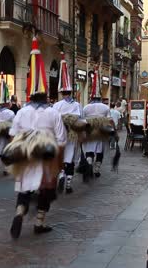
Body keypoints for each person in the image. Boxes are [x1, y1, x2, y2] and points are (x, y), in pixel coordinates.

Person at [6, 36, 66, 239]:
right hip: (47, 158)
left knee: (24, 189)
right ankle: (40, 222)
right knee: (46, 191)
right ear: (46, 93)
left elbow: (12, 136)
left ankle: (20, 211)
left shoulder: (21, 112)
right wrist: (60, 164)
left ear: (30, 94)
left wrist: (15, 155)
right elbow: (61, 141)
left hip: (26, 156)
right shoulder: (53, 113)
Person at [52, 55, 82, 194]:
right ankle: (69, 184)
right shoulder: (77, 105)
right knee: (70, 157)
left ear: (61, 92)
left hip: (59, 135)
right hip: (72, 135)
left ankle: (61, 173)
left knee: (60, 157)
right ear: (70, 91)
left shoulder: (56, 105)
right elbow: (81, 121)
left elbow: (52, 120)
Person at [82, 94, 112, 178]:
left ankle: (89, 163)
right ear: (100, 98)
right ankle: (97, 169)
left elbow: (83, 120)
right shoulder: (105, 107)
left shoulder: (86, 107)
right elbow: (109, 120)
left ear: (91, 98)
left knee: (89, 149)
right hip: (101, 131)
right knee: (100, 151)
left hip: (89, 131)